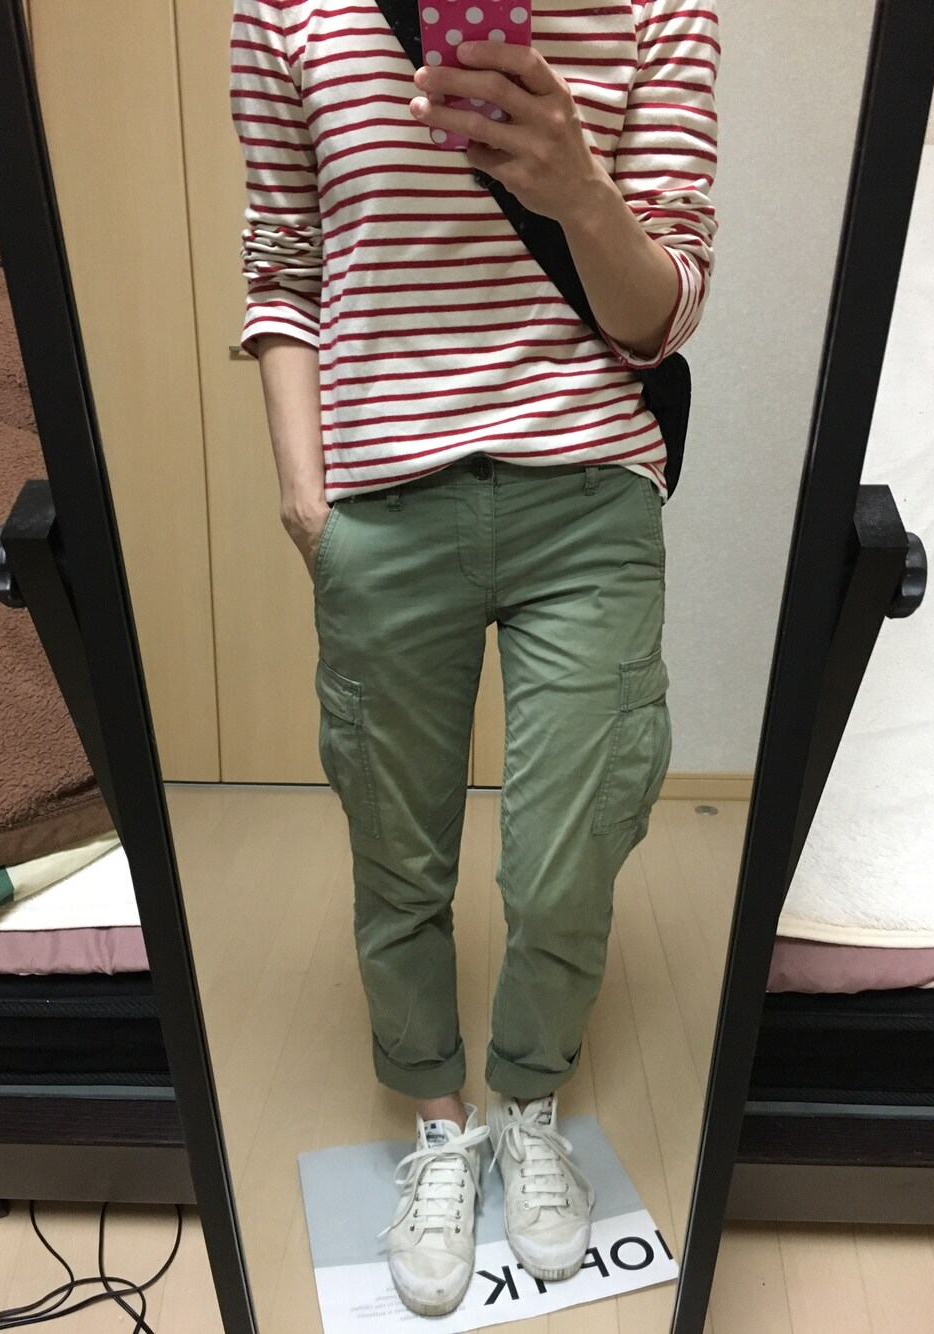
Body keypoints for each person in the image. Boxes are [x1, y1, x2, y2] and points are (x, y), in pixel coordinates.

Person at [230, 0, 718, 1316]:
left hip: (588, 492)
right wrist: (305, 499)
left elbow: (669, 307)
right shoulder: (286, 11)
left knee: (572, 848)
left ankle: (527, 1101)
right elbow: (282, 261)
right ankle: (441, 1127)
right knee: (399, 847)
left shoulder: (661, 8)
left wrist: (577, 189)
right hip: (382, 503)